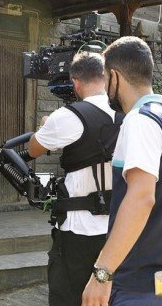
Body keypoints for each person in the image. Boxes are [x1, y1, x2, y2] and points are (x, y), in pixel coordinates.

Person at [82, 36, 162, 306]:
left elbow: (141, 198)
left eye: (103, 79)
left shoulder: (139, 121)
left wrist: (102, 274)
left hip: (144, 289)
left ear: (114, 76)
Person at [24, 51, 123, 306]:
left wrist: (46, 124)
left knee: (67, 297)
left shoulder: (69, 115)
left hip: (78, 231)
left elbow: (34, 149)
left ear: (75, 82)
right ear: (105, 77)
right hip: (117, 231)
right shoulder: (126, 115)